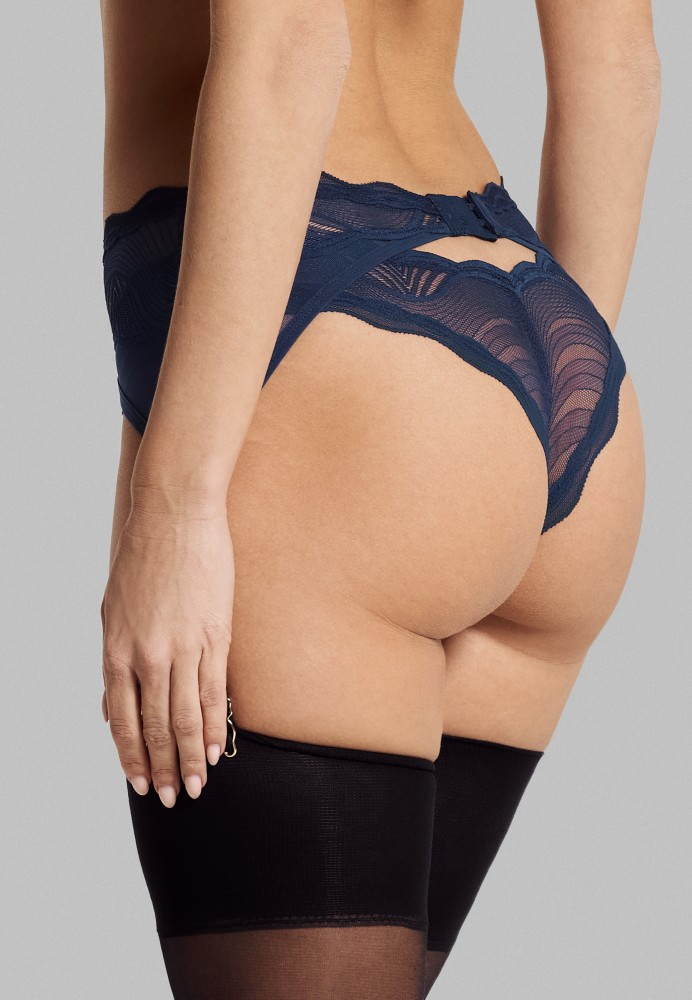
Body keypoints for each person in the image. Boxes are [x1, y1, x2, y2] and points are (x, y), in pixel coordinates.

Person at [99, 1, 659, 996]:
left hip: (335, 373)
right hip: (546, 343)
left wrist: (176, 506)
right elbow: (616, 61)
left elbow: (291, 43)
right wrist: (547, 406)